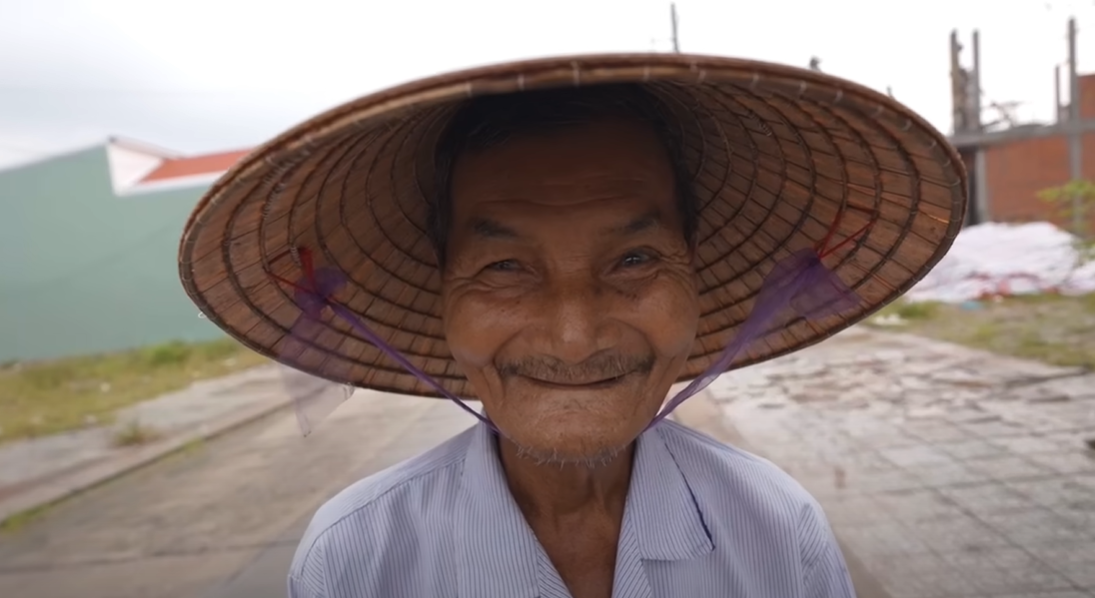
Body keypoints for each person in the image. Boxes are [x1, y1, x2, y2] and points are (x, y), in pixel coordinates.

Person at [178, 54, 966, 598]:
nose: (574, 338)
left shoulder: (775, 527)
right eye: (503, 268)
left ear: (694, 274)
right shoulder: (356, 558)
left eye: (633, 261)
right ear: (441, 293)